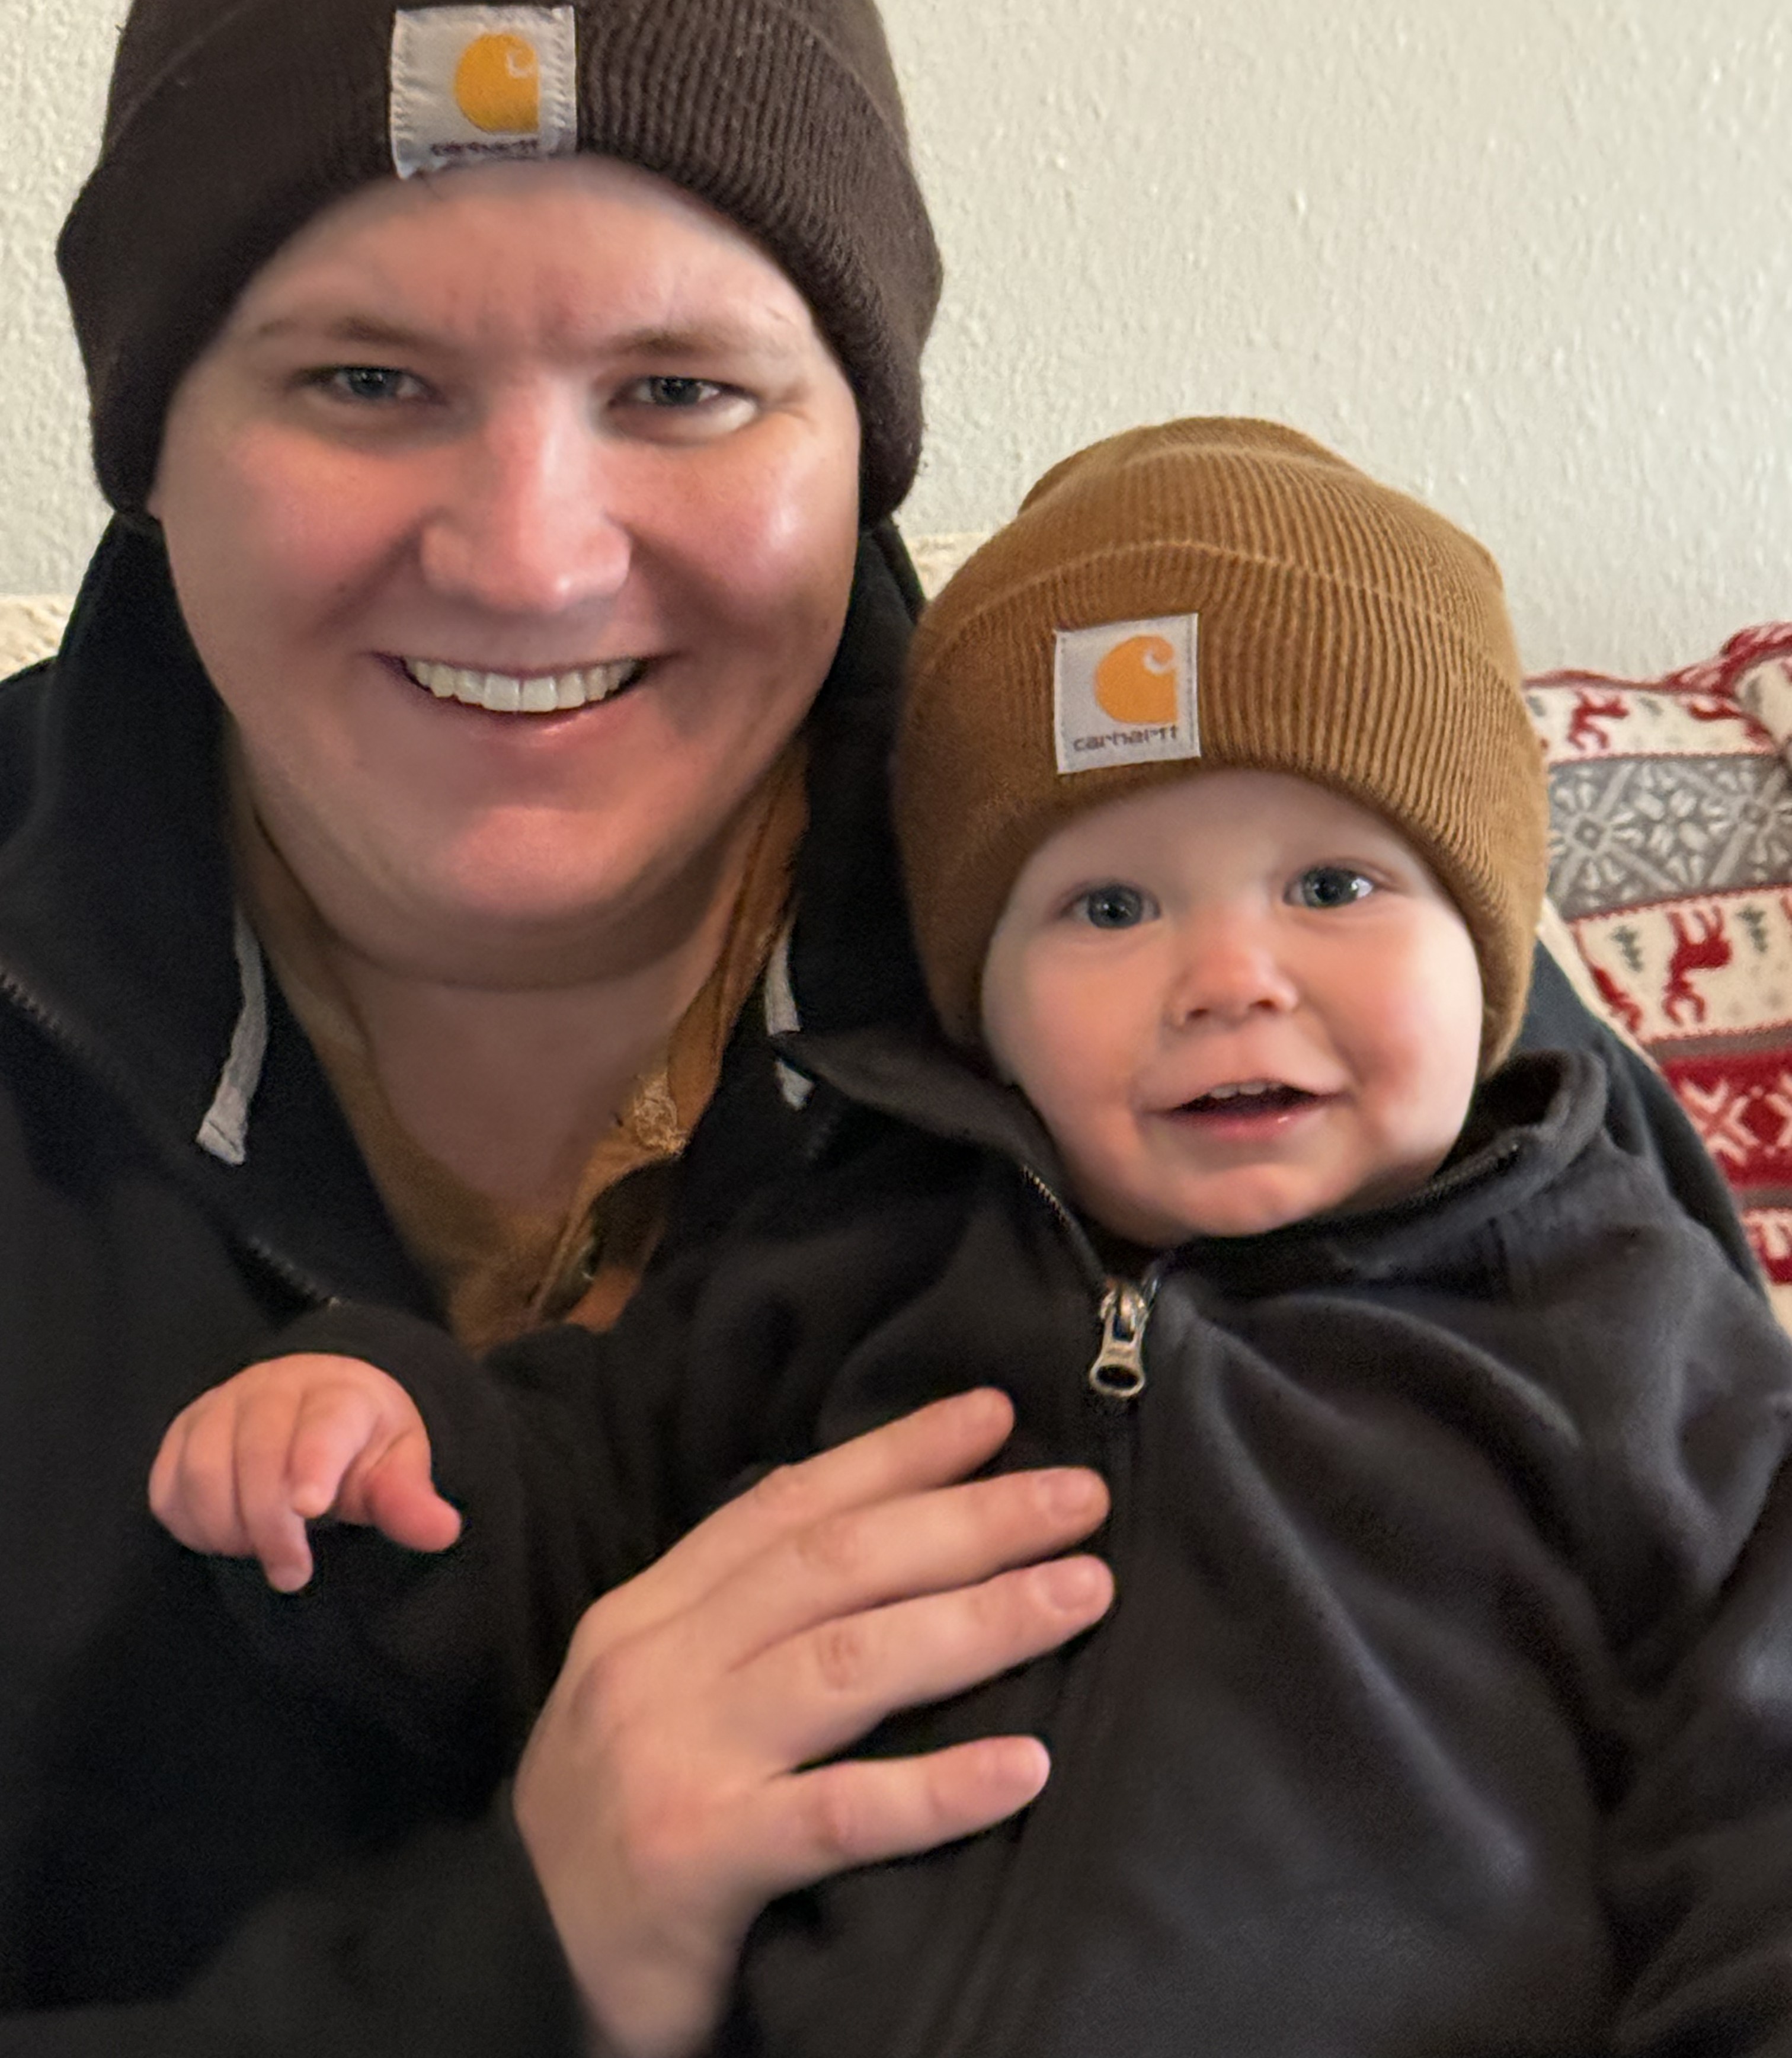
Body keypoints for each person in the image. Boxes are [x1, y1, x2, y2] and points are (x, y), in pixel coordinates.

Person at [156, 420, 1792, 2058]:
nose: (1231, 975)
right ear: (978, 1005)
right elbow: (570, 1497)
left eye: (1337, 887)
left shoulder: (1628, 1336)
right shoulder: (860, 1247)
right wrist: (380, 1452)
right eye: (1109, 908)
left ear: (1495, 955)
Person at [0, 0, 1124, 2056]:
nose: (528, 555)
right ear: (153, 445)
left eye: (685, 392)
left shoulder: (1286, 941)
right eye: (362, 383)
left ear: (857, 434)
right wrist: (519, 1958)